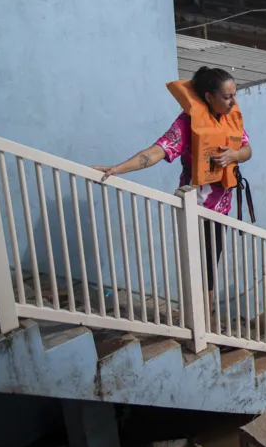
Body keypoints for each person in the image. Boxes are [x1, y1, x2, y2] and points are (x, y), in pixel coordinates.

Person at [92, 66, 252, 304]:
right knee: (199, 270)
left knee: (209, 268)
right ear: (208, 97)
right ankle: (202, 327)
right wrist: (118, 168)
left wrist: (234, 156)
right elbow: (158, 151)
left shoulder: (230, 118)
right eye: (227, 97)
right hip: (194, 207)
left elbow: (247, 150)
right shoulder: (187, 123)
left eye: (233, 95)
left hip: (222, 210)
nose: (233, 102)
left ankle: (205, 323)